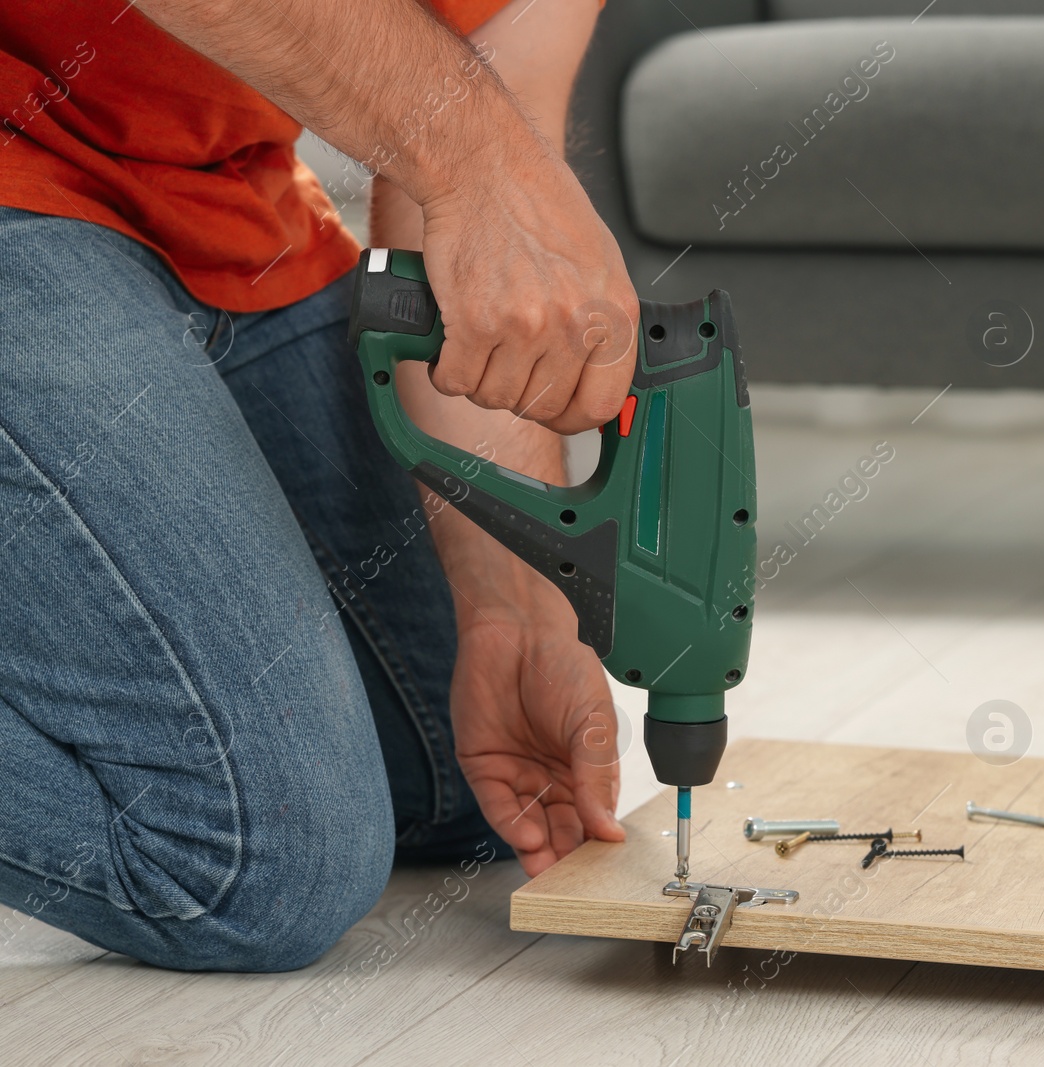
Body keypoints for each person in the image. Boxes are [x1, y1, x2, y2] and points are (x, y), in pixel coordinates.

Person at [0, 0, 635, 971]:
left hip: (212, 202)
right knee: (253, 858)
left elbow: (471, 242)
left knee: (465, 774)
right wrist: (481, 156)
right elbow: (472, 159)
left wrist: (518, 611)